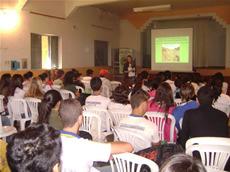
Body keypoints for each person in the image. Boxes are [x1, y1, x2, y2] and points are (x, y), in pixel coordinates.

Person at [59, 99, 133, 171]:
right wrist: (103, 145)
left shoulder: (51, 139)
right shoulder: (86, 146)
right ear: (80, 118)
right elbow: (128, 147)